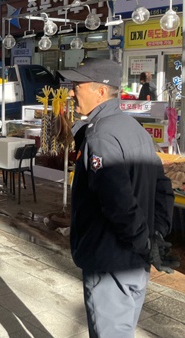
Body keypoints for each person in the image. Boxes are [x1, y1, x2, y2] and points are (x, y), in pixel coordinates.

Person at [58, 58, 177, 337]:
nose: (72, 92)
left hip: (110, 260)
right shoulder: (134, 129)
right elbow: (163, 188)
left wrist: (144, 241)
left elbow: (118, 201)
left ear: (100, 91)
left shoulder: (101, 136)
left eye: (77, 86)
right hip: (135, 261)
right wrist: (155, 236)